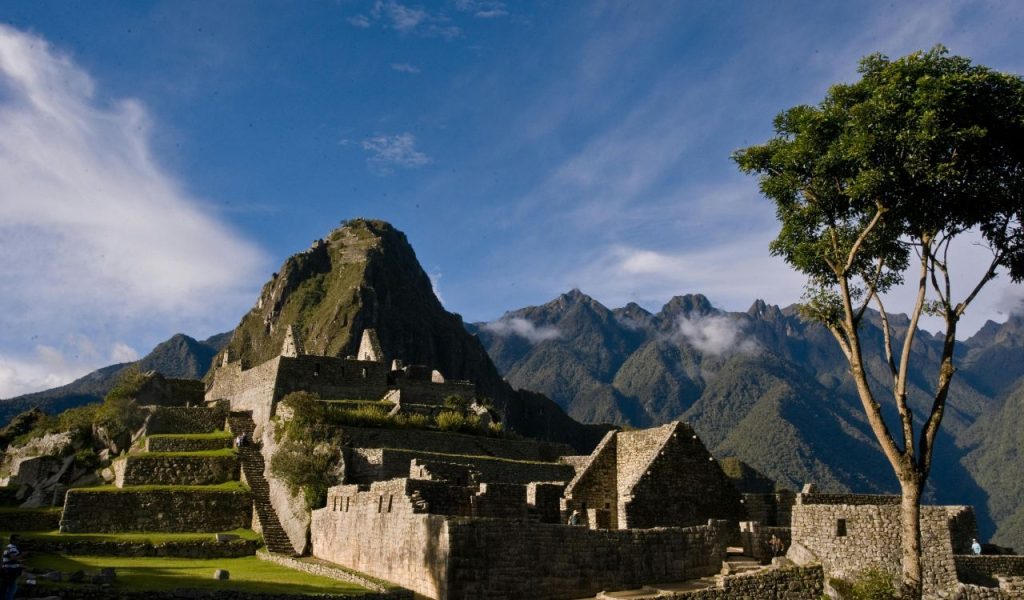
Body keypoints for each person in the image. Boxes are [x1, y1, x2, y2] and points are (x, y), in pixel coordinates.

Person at [2, 534, 25, 600]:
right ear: (12, 540)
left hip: (7, 570)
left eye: (19, 540)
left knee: (6, 587)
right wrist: (22, 555)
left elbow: (10, 559)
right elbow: (13, 558)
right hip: (10, 571)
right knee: (12, 588)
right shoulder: (12, 547)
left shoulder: (9, 547)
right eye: (17, 540)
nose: (19, 541)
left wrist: (19, 562)